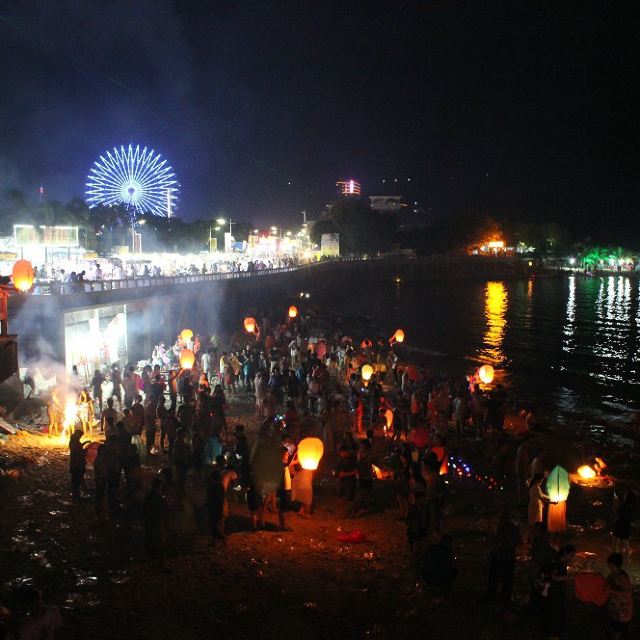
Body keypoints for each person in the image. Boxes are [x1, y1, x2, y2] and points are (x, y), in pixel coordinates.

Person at [485, 510, 522, 608]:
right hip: (509, 558)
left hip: (500, 558)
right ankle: (505, 600)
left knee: (494, 581)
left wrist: (491, 552)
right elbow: (519, 542)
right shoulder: (515, 528)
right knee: (507, 582)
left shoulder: (502, 529)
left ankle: (492, 599)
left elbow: (500, 544)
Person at [540, 544, 575, 639]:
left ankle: (554, 633)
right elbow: (554, 577)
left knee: (557, 613)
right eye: (571, 555)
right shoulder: (557, 563)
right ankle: (553, 634)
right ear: (565, 554)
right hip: (553, 592)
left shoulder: (562, 563)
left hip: (557, 591)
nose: (572, 558)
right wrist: (569, 577)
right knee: (555, 614)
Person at [606, 552, 633, 640]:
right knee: (616, 625)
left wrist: (611, 591)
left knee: (622, 628)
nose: (608, 566)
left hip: (622, 608)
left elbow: (627, 593)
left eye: (609, 564)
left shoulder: (622, 577)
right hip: (616, 607)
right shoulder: (613, 575)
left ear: (613, 565)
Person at [143, 478, 167, 567]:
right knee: (160, 544)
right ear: (158, 486)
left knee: (151, 542)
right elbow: (164, 508)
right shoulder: (157, 496)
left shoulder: (148, 496)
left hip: (149, 522)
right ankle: (161, 564)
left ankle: (152, 562)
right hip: (156, 522)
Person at [612, 489, 635, 559]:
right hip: (626, 525)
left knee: (616, 542)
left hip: (621, 525)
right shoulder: (631, 505)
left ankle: (615, 558)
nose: (624, 495)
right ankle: (627, 560)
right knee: (626, 543)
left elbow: (618, 513)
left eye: (625, 494)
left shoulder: (625, 506)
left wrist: (615, 503)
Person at [528, 473, 549, 542]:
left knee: (532, 524)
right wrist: (552, 502)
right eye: (541, 480)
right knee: (536, 525)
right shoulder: (536, 487)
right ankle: (534, 540)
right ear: (538, 480)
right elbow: (541, 498)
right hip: (535, 508)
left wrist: (550, 497)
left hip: (533, 507)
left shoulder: (534, 486)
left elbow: (541, 495)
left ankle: (530, 539)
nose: (542, 482)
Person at [205, 468, 225, 543]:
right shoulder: (220, 485)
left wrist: (207, 505)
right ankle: (215, 540)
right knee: (215, 523)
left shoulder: (212, 485)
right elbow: (222, 497)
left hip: (213, 507)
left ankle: (220, 537)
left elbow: (209, 497)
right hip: (219, 507)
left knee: (213, 524)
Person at [69, 429, 89, 500]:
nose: (80, 437)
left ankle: (77, 493)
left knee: (76, 478)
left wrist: (85, 443)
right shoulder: (75, 441)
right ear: (77, 434)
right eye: (80, 436)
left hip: (75, 462)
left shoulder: (73, 440)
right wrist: (86, 450)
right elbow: (79, 452)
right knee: (76, 479)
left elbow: (78, 448)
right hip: (77, 463)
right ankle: (76, 495)